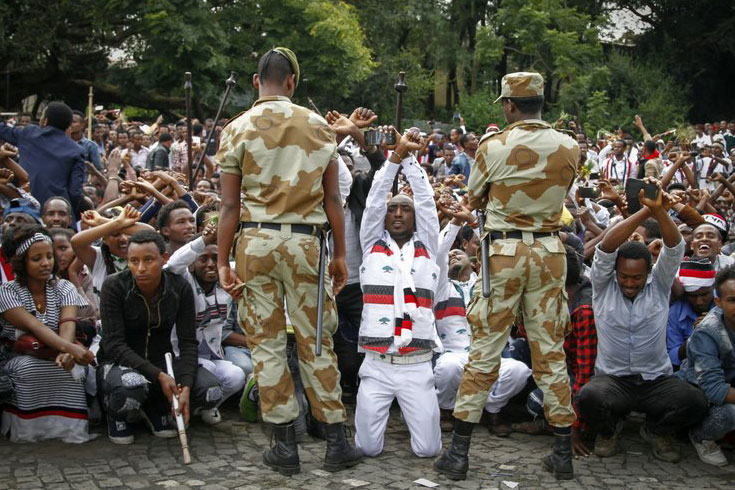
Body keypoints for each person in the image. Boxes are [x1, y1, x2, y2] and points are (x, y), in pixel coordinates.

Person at [216, 47, 361, 476]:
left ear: (256, 80)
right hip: (306, 244)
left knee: (266, 342)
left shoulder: (236, 129)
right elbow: (334, 197)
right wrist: (339, 254)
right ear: (293, 82)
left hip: (255, 243)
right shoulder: (318, 127)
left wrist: (223, 261)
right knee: (316, 339)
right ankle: (335, 441)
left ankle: (284, 445)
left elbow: (228, 207)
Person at [435, 72, 579, 481]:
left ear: (510, 105)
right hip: (551, 251)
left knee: (485, 348)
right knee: (550, 350)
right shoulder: (569, 145)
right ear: (541, 102)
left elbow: (476, 196)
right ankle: (562, 452)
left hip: (504, 253)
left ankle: (458, 454)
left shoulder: (493, 146)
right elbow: (564, 190)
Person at [576, 179, 709, 463]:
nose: (629, 283)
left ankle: (656, 430)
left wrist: (659, 211)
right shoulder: (603, 285)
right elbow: (605, 249)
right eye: (624, 276)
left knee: (695, 401)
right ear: (616, 274)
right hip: (613, 380)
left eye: (636, 277)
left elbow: (674, 248)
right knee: (588, 398)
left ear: (649, 273)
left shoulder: (659, 285)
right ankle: (610, 431)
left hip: (655, 382)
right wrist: (645, 213)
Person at [354, 128, 442, 459]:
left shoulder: (428, 249)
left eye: (405, 209)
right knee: (367, 448)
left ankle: (416, 419)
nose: (399, 213)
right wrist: (393, 160)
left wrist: (411, 161)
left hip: (417, 364)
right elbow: (375, 199)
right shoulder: (371, 245)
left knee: (428, 449)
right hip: (376, 364)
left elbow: (427, 203)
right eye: (393, 210)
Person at [96, 230, 223, 444]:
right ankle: (117, 414)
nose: (141, 268)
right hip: (120, 362)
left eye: (148, 260)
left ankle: (155, 407)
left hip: (162, 360)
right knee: (132, 386)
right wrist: (160, 376)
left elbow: (188, 342)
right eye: (133, 261)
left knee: (211, 390)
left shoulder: (179, 286)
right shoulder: (114, 285)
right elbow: (114, 344)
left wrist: (185, 387)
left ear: (164, 259)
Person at [433, 206, 531, 436]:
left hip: (488, 354)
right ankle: (446, 409)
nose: (453, 254)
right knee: (448, 367)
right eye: (451, 253)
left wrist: (475, 222)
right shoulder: (441, 289)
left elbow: (495, 254)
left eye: (460, 252)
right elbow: (438, 253)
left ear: (473, 259)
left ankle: (492, 410)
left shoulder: (487, 284)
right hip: (454, 354)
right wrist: (456, 223)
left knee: (518, 370)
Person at [0, 225, 95, 442]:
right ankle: (27, 431)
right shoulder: (7, 292)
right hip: (19, 355)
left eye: (49, 256)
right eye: (37, 258)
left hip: (59, 349)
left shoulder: (64, 288)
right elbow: (35, 326)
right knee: (28, 368)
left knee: (70, 367)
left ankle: (70, 429)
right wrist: (71, 349)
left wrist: (67, 352)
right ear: (22, 262)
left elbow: (68, 323)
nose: (46, 263)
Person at [164, 222, 246, 425]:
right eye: (203, 259)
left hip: (211, 354)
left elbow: (251, 265)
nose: (210, 264)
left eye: (215, 259)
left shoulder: (226, 278)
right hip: (183, 354)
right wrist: (204, 240)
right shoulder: (185, 281)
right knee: (208, 378)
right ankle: (181, 409)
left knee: (236, 376)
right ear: (193, 263)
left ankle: (205, 407)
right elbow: (173, 264)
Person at [678, 265, 735, 466]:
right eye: (732, 300)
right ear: (718, 302)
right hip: (699, 393)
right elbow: (714, 389)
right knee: (731, 414)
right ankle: (701, 436)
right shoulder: (708, 332)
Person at [0, 101, 85, 216]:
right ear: (68, 125)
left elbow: (3, 130)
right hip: (57, 214)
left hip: (24, 210)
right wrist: (67, 215)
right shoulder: (77, 150)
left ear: (45, 121)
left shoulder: (28, 133)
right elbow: (75, 192)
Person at [667, 259, 716, 369]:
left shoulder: (726, 302)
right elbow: (672, 356)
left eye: (704, 294)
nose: (699, 302)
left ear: (713, 288)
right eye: (693, 296)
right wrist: (695, 337)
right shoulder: (675, 311)